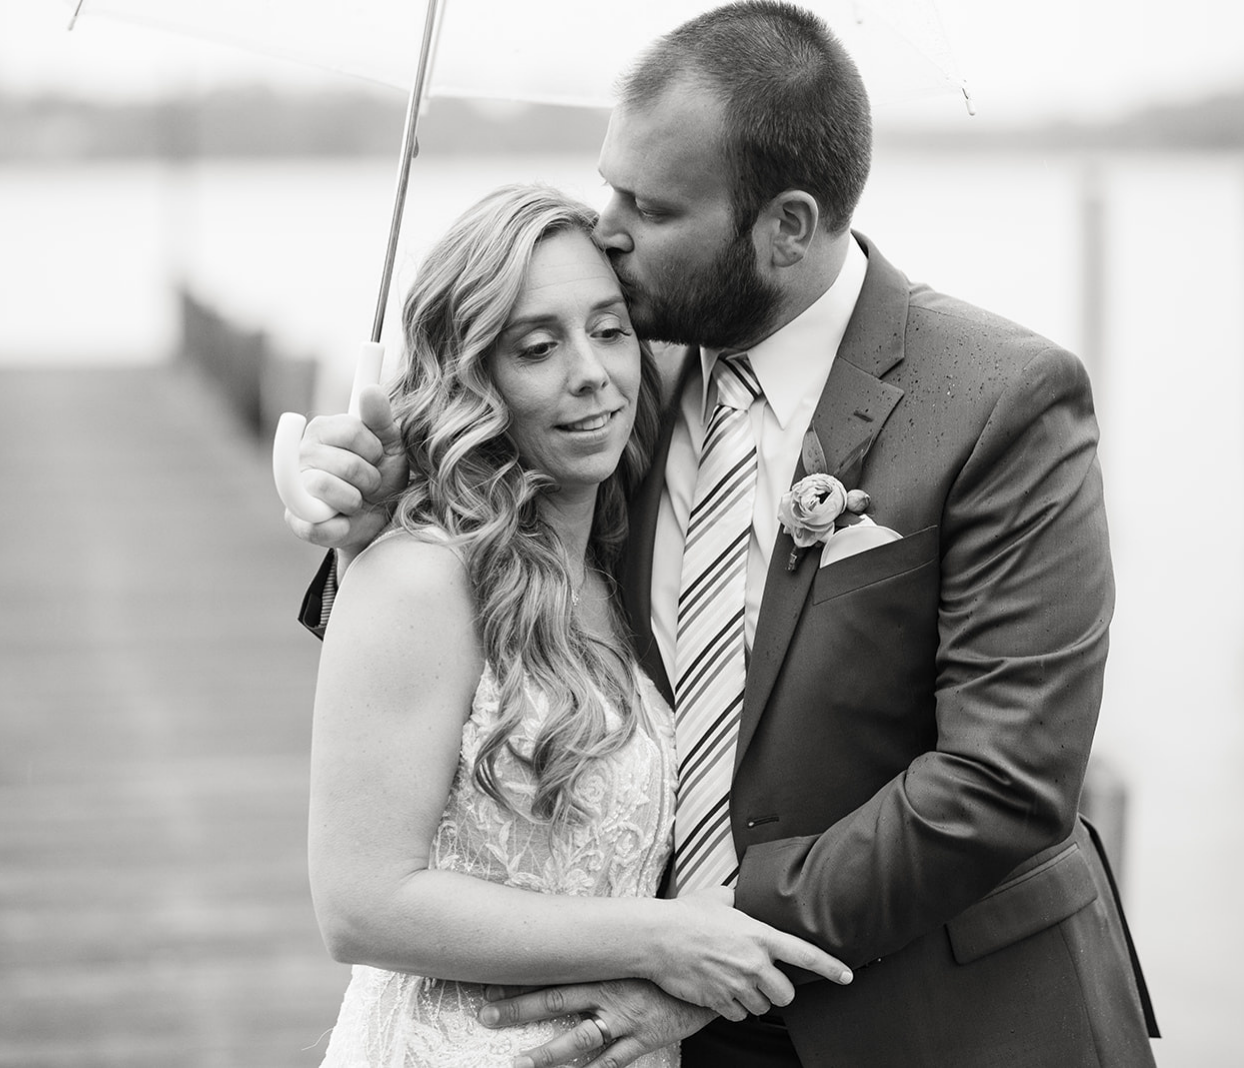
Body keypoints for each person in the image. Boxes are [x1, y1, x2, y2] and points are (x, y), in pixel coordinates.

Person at [290, 4, 1160, 1066]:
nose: (606, 229)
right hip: (645, 1026)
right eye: (609, 183)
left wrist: (714, 938)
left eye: (649, 206)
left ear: (787, 226)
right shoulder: (617, 370)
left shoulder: (999, 398)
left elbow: (1002, 780)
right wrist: (361, 518)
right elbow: (464, 580)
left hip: (934, 1020)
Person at [306, 183, 854, 1068]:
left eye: (608, 330)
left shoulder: (619, 559)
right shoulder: (419, 577)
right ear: (475, 376)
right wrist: (660, 939)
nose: (591, 373)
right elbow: (359, 904)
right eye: (537, 346)